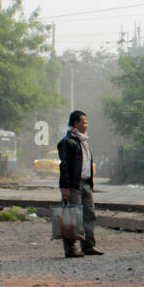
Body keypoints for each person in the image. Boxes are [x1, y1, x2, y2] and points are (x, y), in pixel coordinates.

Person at [57, 110, 101, 257]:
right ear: (75, 123)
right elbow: (64, 166)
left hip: (86, 184)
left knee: (89, 215)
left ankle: (88, 246)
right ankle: (71, 249)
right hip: (73, 185)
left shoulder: (83, 141)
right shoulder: (68, 142)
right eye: (83, 122)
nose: (85, 125)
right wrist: (64, 187)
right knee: (72, 216)